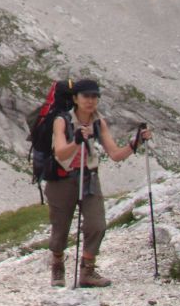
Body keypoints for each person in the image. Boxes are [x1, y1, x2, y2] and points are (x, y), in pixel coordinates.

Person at [46, 78, 151, 287]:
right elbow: (59, 151)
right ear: (75, 98)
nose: (91, 100)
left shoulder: (98, 122)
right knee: (60, 228)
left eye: (95, 96)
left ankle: (87, 271)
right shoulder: (62, 120)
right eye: (86, 96)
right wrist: (76, 141)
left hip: (89, 177)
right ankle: (57, 265)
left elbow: (115, 154)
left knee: (97, 224)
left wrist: (135, 142)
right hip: (62, 179)